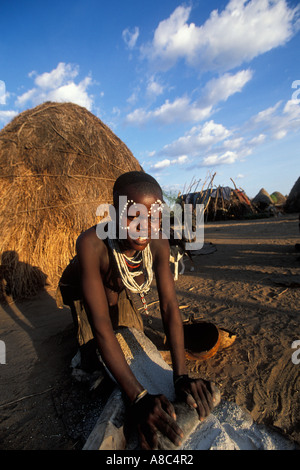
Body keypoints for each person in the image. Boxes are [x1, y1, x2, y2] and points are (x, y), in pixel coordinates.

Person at [59, 171, 218, 450]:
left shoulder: (157, 241)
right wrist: (139, 397)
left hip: (117, 286)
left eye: (154, 216)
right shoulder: (91, 244)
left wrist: (180, 376)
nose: (145, 226)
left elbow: (169, 306)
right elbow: (101, 326)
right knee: (93, 360)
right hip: (81, 290)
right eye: (133, 216)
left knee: (130, 335)